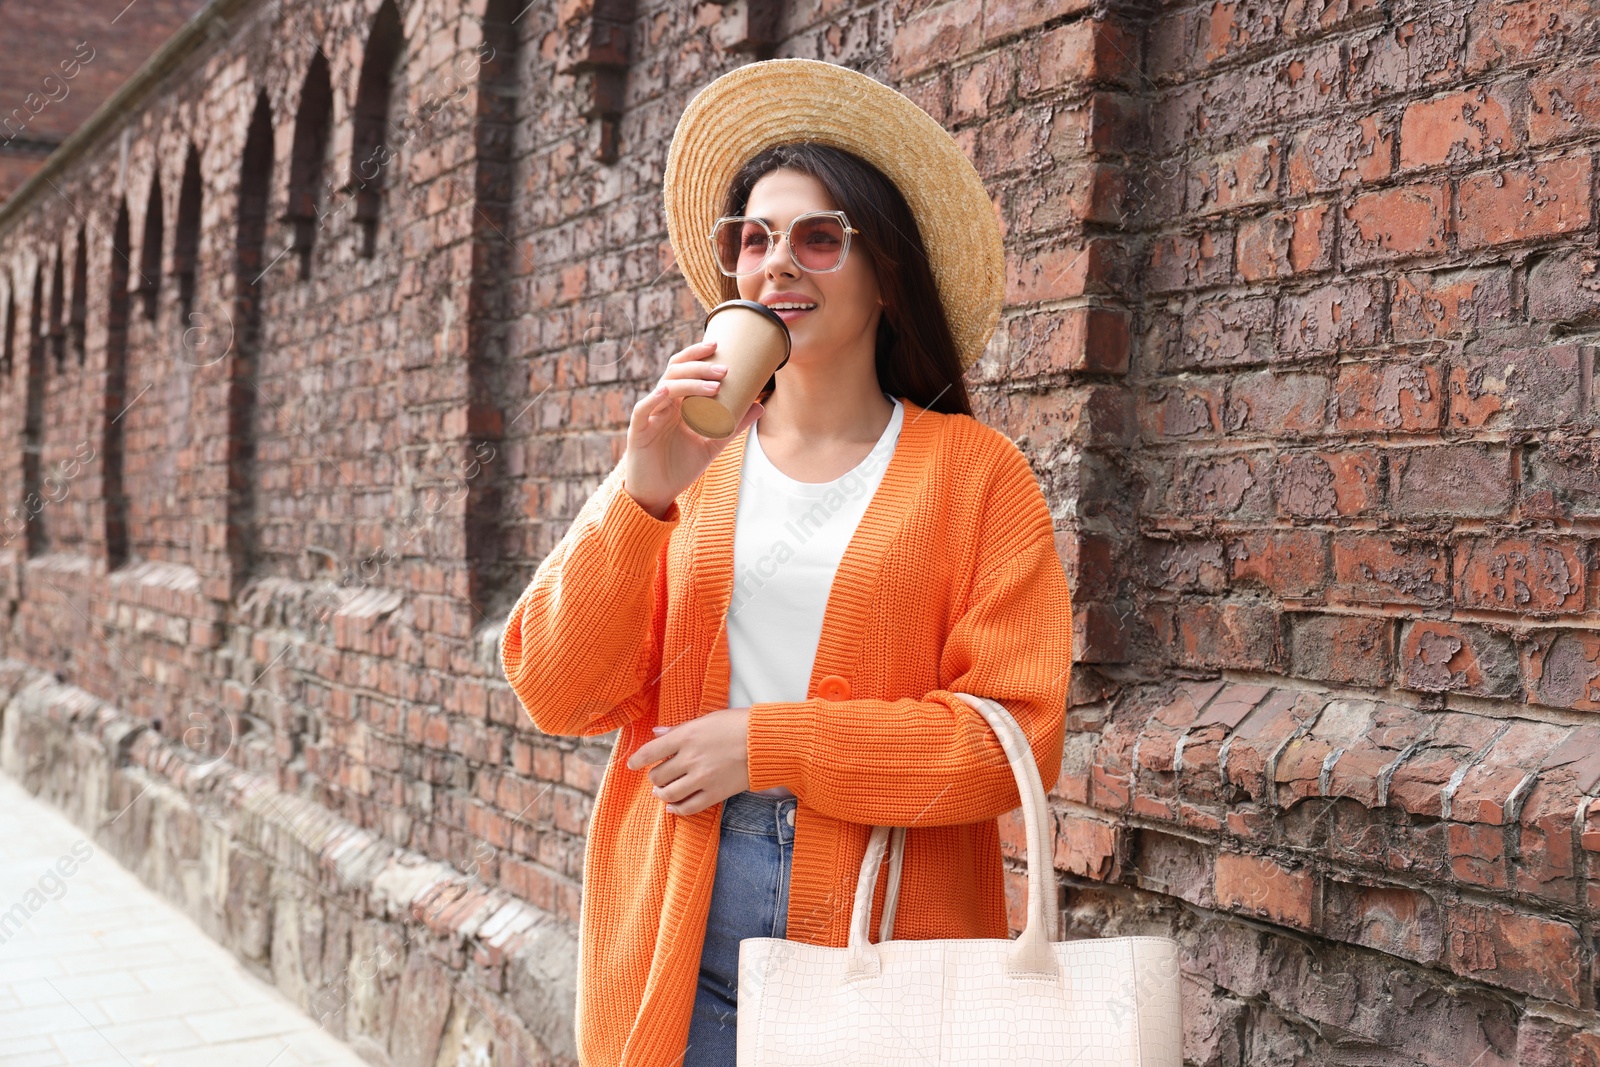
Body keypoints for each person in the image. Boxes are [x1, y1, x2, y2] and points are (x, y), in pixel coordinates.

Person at [500, 58, 1074, 1067]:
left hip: (884, 933)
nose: (777, 263)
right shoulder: (686, 466)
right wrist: (640, 491)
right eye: (754, 238)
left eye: (819, 237)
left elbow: (1007, 743)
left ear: (884, 268)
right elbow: (554, 688)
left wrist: (768, 745)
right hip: (679, 921)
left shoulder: (975, 474)